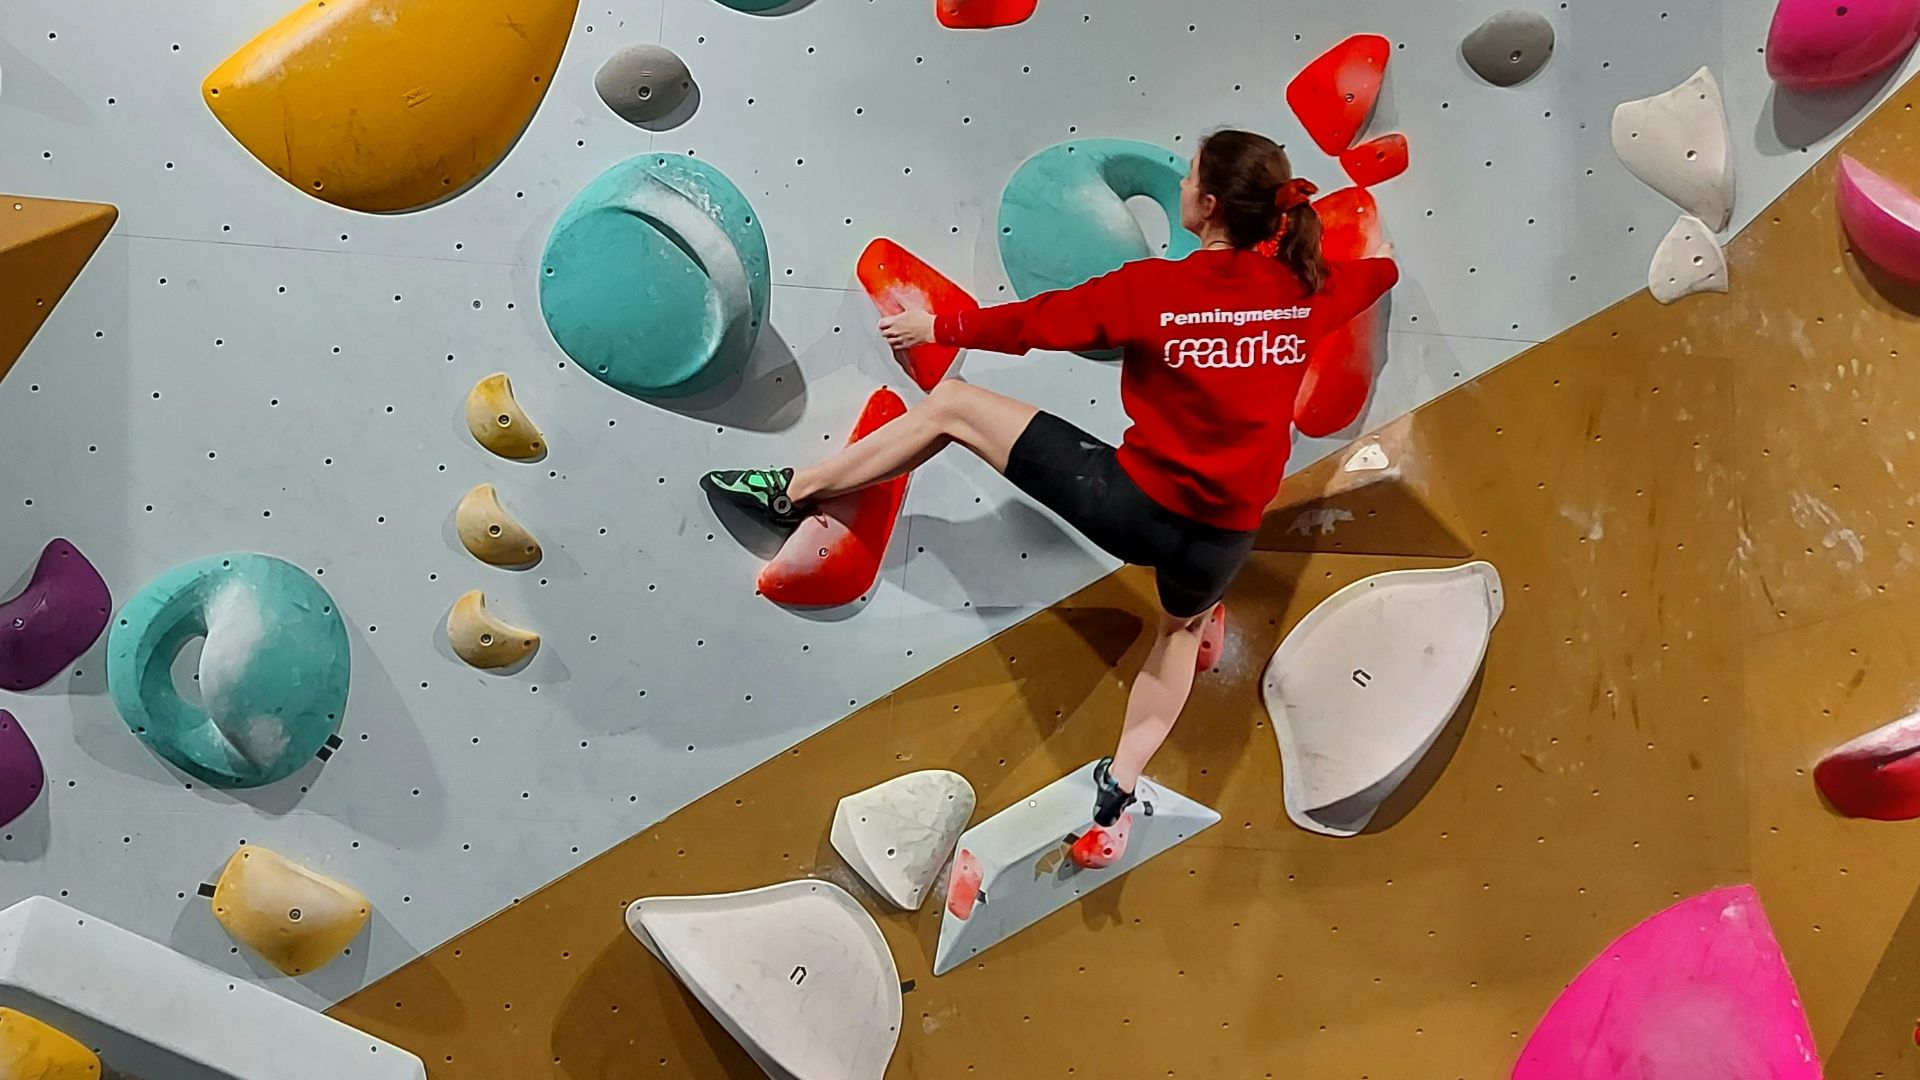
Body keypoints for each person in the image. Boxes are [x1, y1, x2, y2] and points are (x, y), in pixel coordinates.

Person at [704, 129, 1398, 863]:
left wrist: (937, 325)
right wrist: (1329, 269)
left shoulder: (1153, 290)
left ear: (1210, 203)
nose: (1183, 186)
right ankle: (1118, 799)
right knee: (1179, 636)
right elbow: (1375, 278)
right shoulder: (1308, 293)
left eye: (1190, 177)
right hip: (1220, 540)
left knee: (955, 405)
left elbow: (1035, 325)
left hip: (1130, 508)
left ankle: (795, 492)